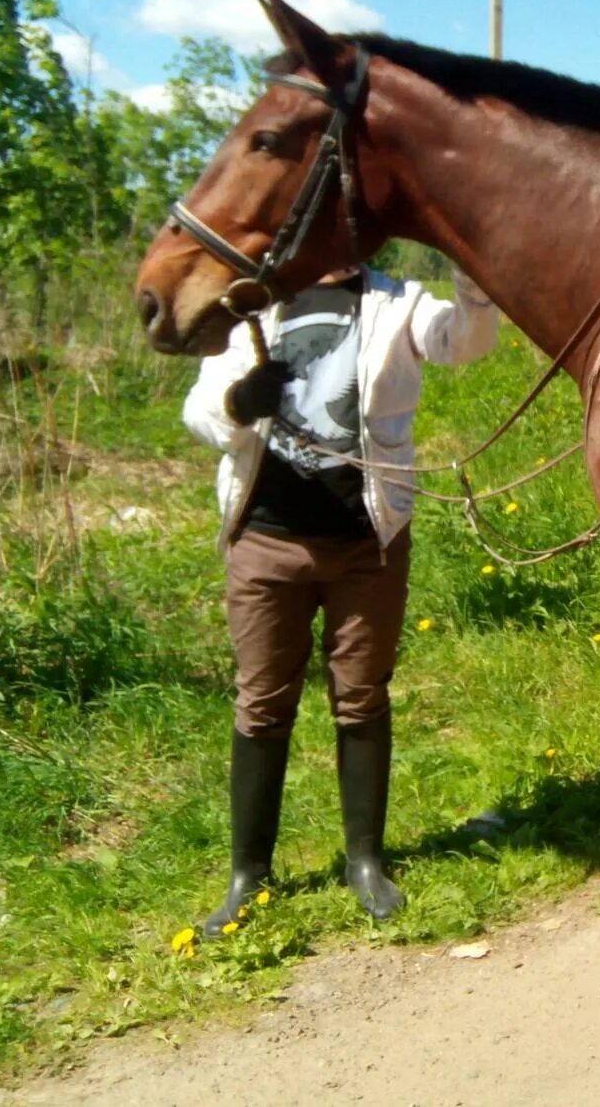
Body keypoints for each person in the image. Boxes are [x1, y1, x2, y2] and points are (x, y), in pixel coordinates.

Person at [182, 262, 499, 935]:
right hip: (266, 543)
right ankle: (249, 875)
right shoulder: (252, 307)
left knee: (362, 694)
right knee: (262, 703)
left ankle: (365, 861)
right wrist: (239, 404)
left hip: (367, 542)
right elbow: (200, 412)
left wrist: (475, 279)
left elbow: (463, 343)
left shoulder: (398, 301)